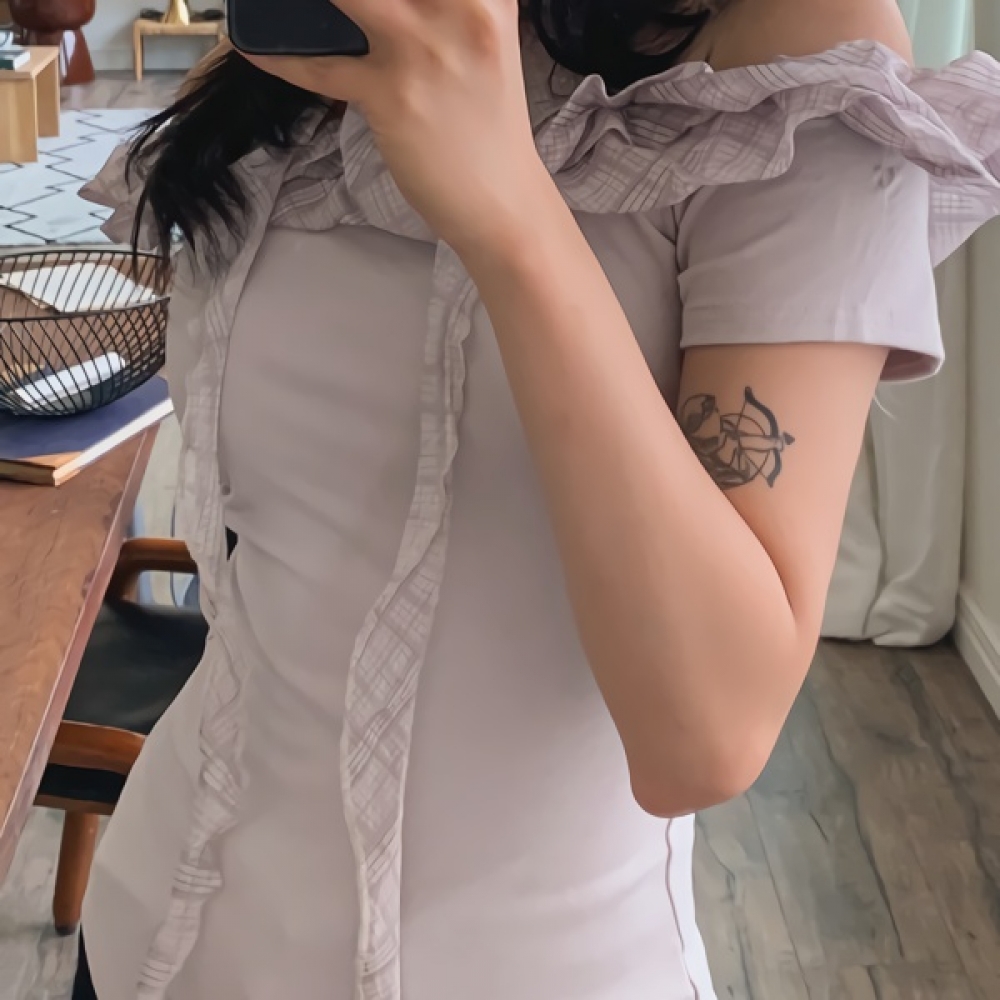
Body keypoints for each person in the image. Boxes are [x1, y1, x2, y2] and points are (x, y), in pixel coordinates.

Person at [74, 0, 1000, 997]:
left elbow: (705, 735)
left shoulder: (791, 46)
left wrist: (509, 210)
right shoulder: (305, 40)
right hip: (148, 942)